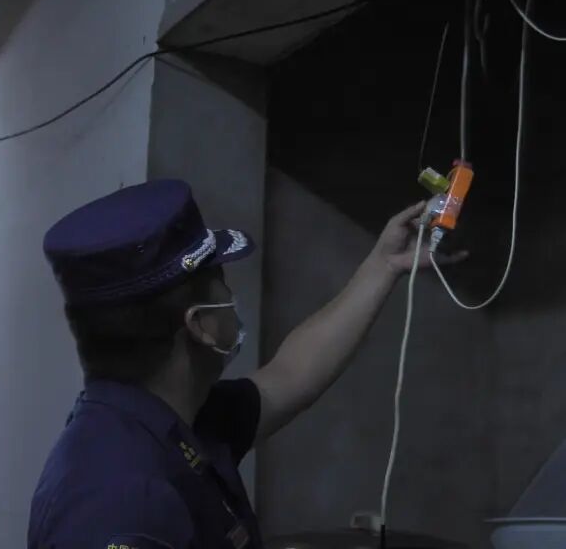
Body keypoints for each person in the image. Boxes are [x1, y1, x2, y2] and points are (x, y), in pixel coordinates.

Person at [28, 179, 464, 548]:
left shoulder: (169, 422)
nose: (230, 295)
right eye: (221, 280)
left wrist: (384, 264)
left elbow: (290, 375)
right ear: (200, 325)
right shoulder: (120, 500)